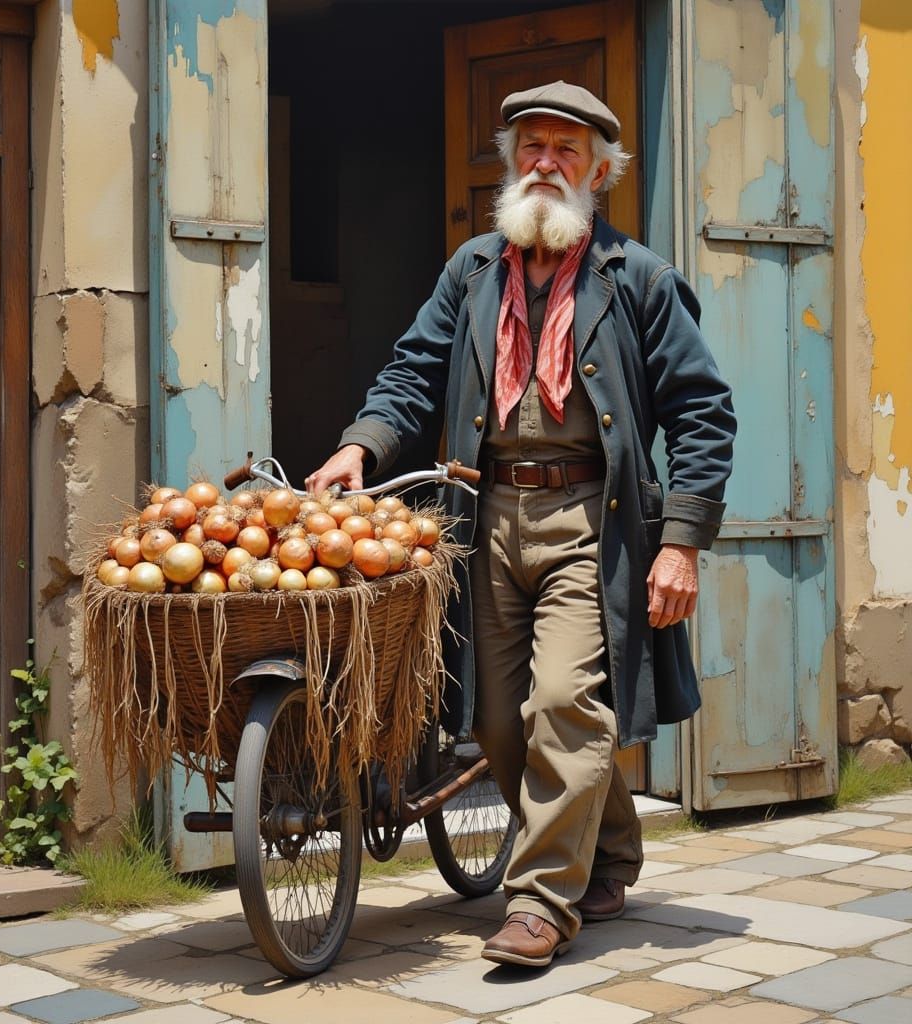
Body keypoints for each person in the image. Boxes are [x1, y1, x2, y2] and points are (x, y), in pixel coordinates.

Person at [306, 81, 736, 968]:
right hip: (486, 512)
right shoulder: (471, 272)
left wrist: (682, 540)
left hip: (595, 519)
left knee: (562, 705)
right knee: (498, 725)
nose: (545, 163)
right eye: (530, 146)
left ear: (599, 172)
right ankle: (610, 852)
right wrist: (362, 447)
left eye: (565, 151)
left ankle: (541, 902)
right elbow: (412, 372)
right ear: (510, 163)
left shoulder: (639, 278)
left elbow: (703, 412)